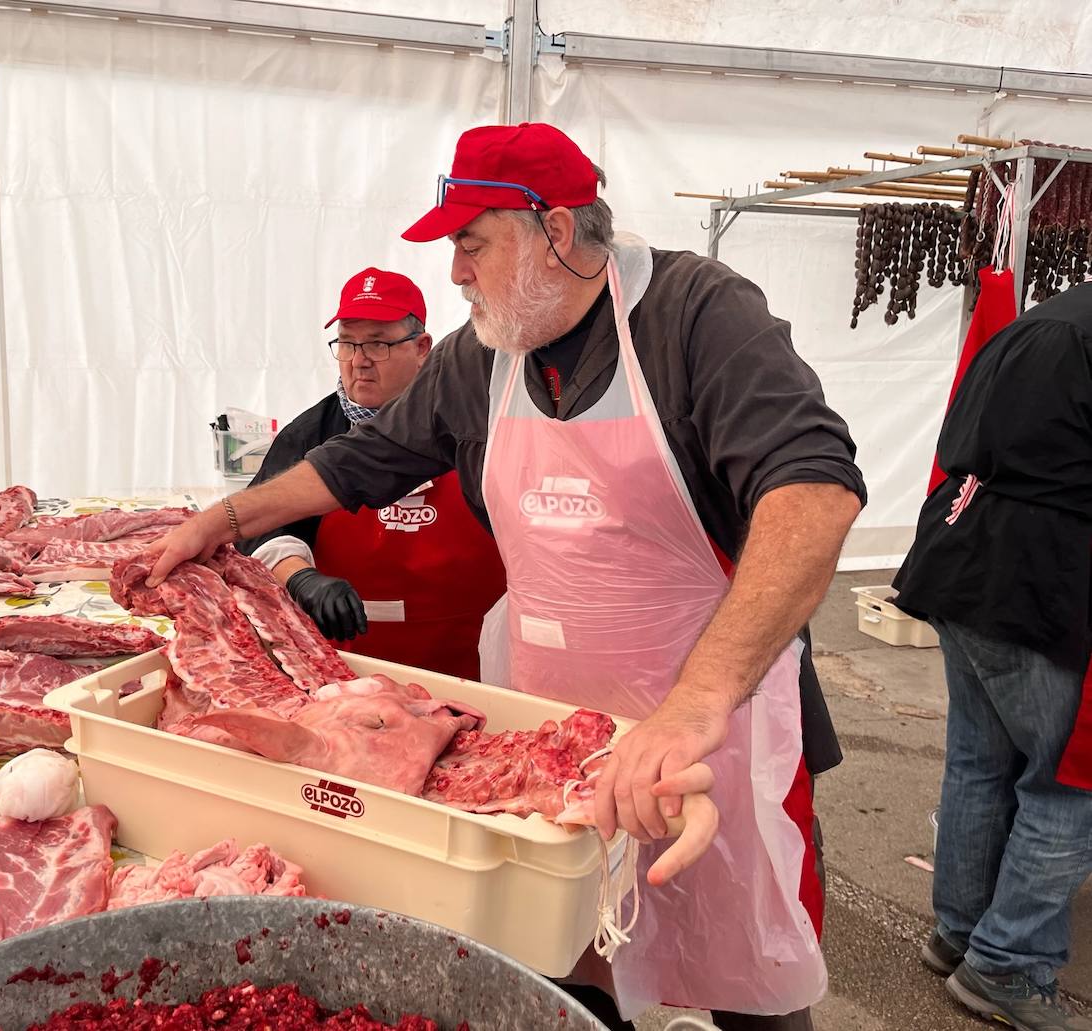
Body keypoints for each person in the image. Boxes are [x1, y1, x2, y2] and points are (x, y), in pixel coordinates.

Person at [145, 122, 864, 1029]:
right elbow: (362, 463)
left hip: (701, 724)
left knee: (739, 960)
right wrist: (224, 521)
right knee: (568, 964)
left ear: (556, 232)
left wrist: (693, 706)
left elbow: (814, 494)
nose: (456, 273)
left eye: (469, 243)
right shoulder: (484, 354)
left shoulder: (698, 314)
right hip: (550, 730)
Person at [893, 281, 1092, 1031]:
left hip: (962, 548)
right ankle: (1007, 963)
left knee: (980, 760)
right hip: (1036, 573)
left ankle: (962, 931)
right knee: (1067, 786)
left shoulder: (1050, 314)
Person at [237, 266, 506, 679]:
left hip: (475, 661)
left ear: (422, 348)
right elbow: (262, 525)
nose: (359, 362)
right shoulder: (311, 432)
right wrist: (303, 578)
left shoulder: (474, 419)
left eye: (377, 344)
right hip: (350, 665)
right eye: (347, 344)